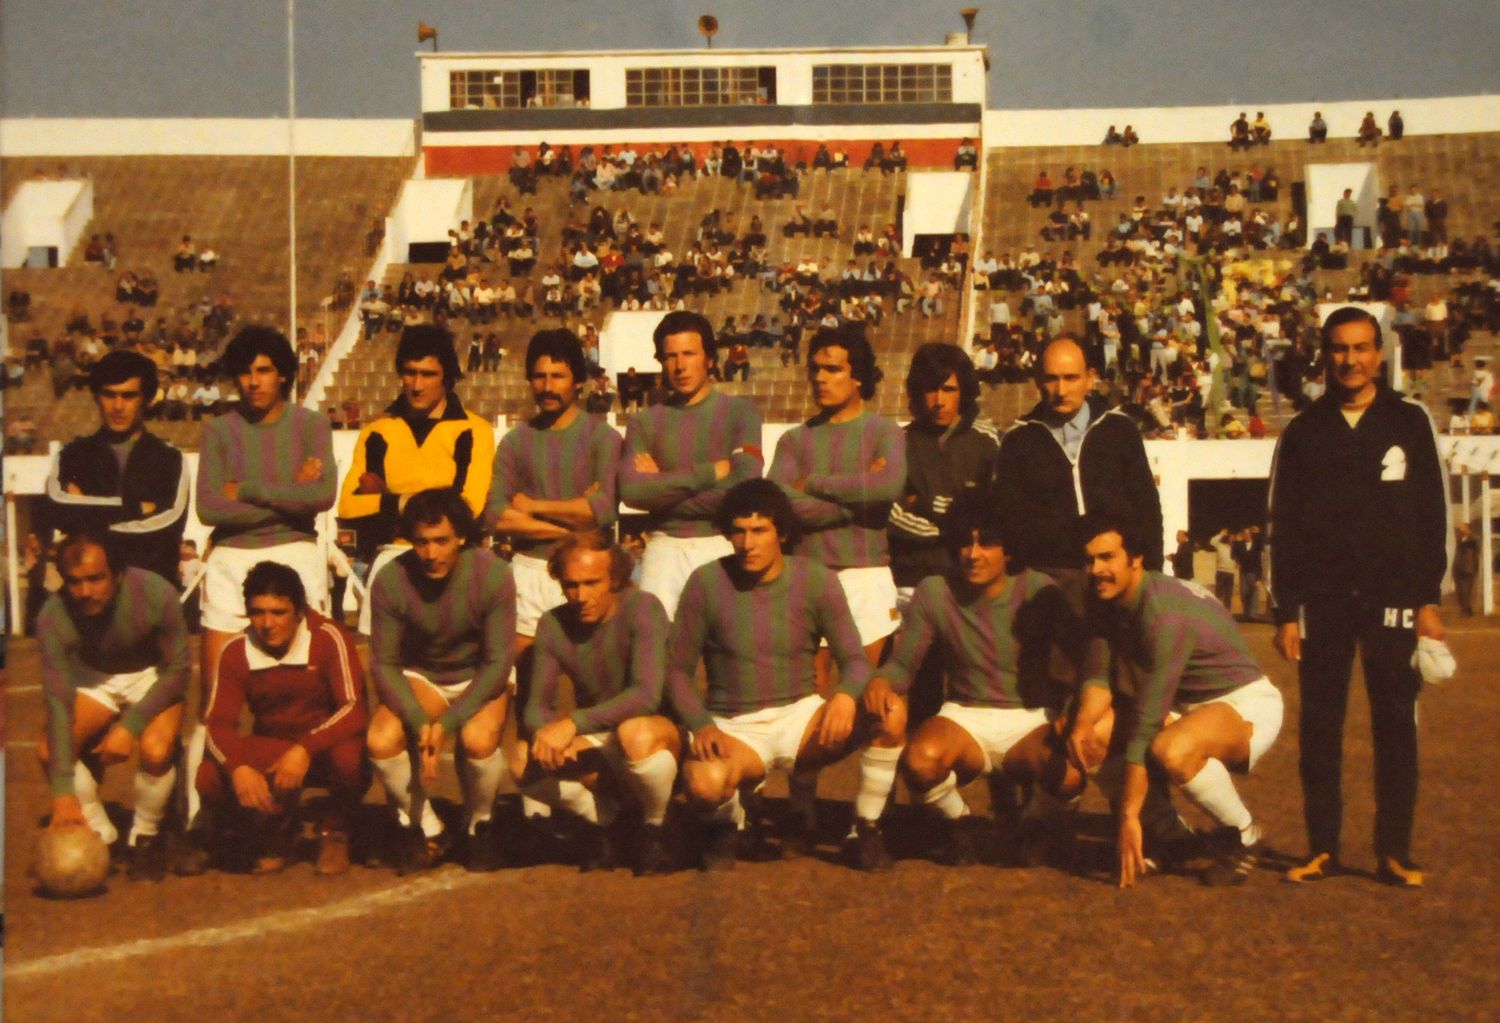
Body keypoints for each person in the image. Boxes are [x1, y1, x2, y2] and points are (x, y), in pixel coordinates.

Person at [1269, 306, 1448, 887]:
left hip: (1393, 599)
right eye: (1340, 349)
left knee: (1396, 724)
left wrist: (1427, 598)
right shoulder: (1304, 431)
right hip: (1322, 603)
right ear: (1325, 355)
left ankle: (1393, 850)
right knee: (1321, 726)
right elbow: (1284, 524)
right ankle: (1322, 847)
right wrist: (1286, 609)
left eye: (1362, 348)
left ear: (1380, 353)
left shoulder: (1408, 422)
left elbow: (1431, 513)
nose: (1351, 360)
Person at [666, 480, 885, 869]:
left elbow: (854, 660)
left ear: (782, 533)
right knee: (703, 785)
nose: (747, 543)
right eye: (738, 531)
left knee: (889, 712)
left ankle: (865, 827)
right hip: (735, 725)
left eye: (759, 530)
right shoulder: (706, 582)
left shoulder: (816, 579)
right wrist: (701, 725)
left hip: (800, 719)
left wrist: (845, 695)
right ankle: (735, 823)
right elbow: (676, 671)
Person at [1069, 513, 1284, 888]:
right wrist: (1083, 722)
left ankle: (1247, 835)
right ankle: (1174, 840)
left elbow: (1148, 719)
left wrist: (1127, 816)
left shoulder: (1163, 614)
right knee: (1093, 737)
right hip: (1188, 706)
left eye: (1107, 558)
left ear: (1135, 558)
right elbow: (1098, 674)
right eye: (1089, 560)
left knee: (1171, 748)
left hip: (1245, 702)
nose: (1095, 570)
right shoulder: (1106, 599)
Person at [877, 495, 1090, 865]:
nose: (973, 554)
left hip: (1030, 719)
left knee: (1070, 773)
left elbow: (1084, 660)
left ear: (1009, 550)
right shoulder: (934, 591)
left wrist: (1073, 712)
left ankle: (1034, 824)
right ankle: (961, 825)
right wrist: (881, 681)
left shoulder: (1040, 589)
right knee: (919, 762)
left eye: (986, 542)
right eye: (964, 542)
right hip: (966, 715)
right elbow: (903, 665)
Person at [768, 326, 907, 851]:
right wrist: (855, 496)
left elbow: (888, 489)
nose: (821, 379)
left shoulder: (884, 433)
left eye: (834, 369)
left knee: (872, 701)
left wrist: (816, 485)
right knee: (808, 697)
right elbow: (781, 506)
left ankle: (867, 818)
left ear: (859, 375)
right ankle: (801, 810)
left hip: (867, 578)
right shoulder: (793, 440)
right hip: (806, 578)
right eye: (816, 369)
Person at [486, 328, 622, 818]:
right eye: (539, 375)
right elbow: (495, 515)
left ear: (579, 383)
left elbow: (602, 512)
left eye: (558, 376)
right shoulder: (516, 441)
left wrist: (536, 507)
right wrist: (568, 516)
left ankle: (607, 791)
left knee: (598, 682)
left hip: (586, 571)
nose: (547, 385)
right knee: (525, 686)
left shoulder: (602, 438)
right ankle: (535, 801)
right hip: (527, 571)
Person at [366, 489, 517, 874]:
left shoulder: (493, 573)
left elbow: (499, 660)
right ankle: (427, 827)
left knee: (478, 740)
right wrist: (420, 721)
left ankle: (479, 824)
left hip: (480, 672)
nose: (431, 554)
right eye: (421, 542)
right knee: (381, 739)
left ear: (461, 537)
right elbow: (383, 663)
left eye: (441, 541)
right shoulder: (390, 578)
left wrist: (446, 725)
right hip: (426, 675)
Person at [196, 327, 338, 722]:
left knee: (306, 690)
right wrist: (293, 494)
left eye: (263, 370)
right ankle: (207, 780)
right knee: (214, 699)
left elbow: (323, 495)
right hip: (230, 555)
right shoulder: (219, 430)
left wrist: (245, 490)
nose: (253, 381)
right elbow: (208, 509)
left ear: (283, 375)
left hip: (296, 553)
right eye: (244, 372)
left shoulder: (311, 425)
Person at [520, 532, 681, 874]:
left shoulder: (643, 608)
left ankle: (655, 828)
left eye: (593, 583)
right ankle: (604, 820)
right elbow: (536, 706)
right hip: (601, 732)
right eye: (571, 585)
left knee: (634, 733)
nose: (581, 596)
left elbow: (646, 695)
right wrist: (546, 734)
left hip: (655, 733)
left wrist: (571, 724)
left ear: (617, 579)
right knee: (523, 758)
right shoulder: (552, 623)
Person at [196, 561, 368, 875]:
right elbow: (218, 722)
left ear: (299, 611)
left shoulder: (328, 637)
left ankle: (336, 830)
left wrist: (305, 748)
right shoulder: (237, 650)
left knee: (349, 758)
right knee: (209, 775)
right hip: (275, 747)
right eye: (257, 612)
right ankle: (274, 829)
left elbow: (354, 708)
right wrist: (239, 768)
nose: (267, 623)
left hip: (324, 746)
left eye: (278, 612)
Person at [36, 532, 190, 880]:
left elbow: (178, 669)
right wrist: (62, 794)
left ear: (118, 574)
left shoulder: (156, 593)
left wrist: (128, 726)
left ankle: (145, 836)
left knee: (156, 748)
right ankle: (100, 833)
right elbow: (58, 703)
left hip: (151, 674)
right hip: (95, 678)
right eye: (74, 582)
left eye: (95, 578)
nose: (85, 591)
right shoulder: (52, 618)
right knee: (49, 751)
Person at [338, 324, 495, 634]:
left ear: (448, 378)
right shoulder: (377, 432)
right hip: (393, 559)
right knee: (381, 669)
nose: (417, 384)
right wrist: (415, 500)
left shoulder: (474, 430)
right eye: (410, 373)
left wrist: (391, 503)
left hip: (455, 562)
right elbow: (348, 507)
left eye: (428, 374)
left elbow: (468, 508)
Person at [618, 310, 764, 620]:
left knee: (726, 656)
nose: (680, 366)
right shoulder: (644, 422)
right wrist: (710, 472)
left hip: (721, 543)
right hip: (662, 549)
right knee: (658, 651)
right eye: (671, 356)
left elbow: (745, 489)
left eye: (689, 354)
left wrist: (662, 485)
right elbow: (632, 491)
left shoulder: (741, 413)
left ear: (709, 359)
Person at [888, 343, 999, 723]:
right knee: (916, 691)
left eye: (948, 389)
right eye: (930, 389)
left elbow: (993, 514)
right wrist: (953, 518)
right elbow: (892, 513)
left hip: (969, 585)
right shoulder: (898, 442)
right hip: (912, 582)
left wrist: (933, 509)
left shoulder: (988, 442)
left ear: (964, 390)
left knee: (980, 691)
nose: (938, 400)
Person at [46, 349, 188, 585]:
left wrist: (89, 517)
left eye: (128, 396)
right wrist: (138, 508)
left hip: (150, 588)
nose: (118, 406)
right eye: (109, 395)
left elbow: (166, 526)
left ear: (146, 398)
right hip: (89, 595)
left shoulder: (170, 459)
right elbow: (59, 507)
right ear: (96, 397)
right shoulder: (71, 455)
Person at [1452, 523, 1479, 617]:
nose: (1460, 530)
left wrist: (1468, 533)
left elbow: (1475, 544)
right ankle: (1466, 609)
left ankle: (1466, 610)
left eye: (1462, 528)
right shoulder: (1459, 539)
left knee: (1466, 591)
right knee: (1461, 591)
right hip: (1459, 568)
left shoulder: (1472, 539)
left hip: (1468, 568)